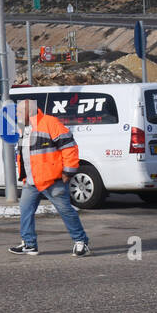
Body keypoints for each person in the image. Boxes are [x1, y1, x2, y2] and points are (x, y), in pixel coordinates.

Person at [9, 98, 91, 257]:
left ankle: (81, 242)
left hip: (51, 180)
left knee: (65, 211)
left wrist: (68, 172)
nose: (17, 114)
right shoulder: (23, 127)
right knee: (25, 211)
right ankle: (29, 244)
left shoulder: (50, 123)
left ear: (28, 112)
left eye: (19, 111)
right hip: (31, 181)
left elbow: (69, 147)